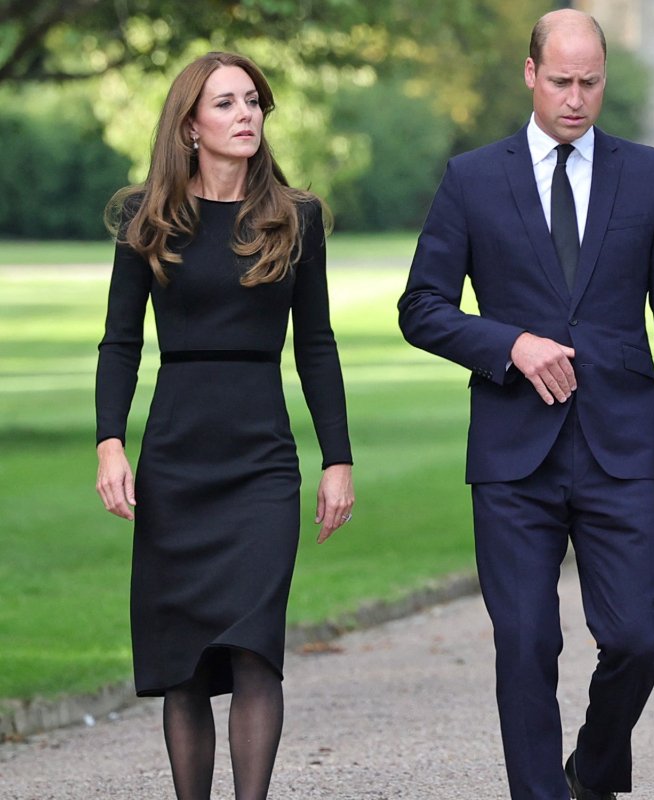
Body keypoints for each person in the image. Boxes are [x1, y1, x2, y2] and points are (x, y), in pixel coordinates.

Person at [396, 9, 654, 800]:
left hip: (621, 445)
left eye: (591, 82)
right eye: (562, 81)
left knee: (638, 638)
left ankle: (593, 768)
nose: (576, 98)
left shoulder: (650, 174)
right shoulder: (472, 178)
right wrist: (510, 345)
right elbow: (422, 306)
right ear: (531, 74)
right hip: (513, 454)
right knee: (527, 643)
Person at [93, 51, 354, 800]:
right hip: (176, 458)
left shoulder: (295, 217)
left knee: (253, 652)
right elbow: (120, 342)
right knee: (184, 665)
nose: (246, 115)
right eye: (226, 104)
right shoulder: (147, 219)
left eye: (253, 102)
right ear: (190, 125)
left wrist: (338, 458)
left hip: (261, 463)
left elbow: (317, 346)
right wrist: (111, 440)